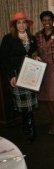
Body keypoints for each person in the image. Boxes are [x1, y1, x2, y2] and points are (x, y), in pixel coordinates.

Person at [0, 12, 38, 142]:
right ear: (15, 25)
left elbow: (34, 52)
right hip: (17, 73)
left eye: (24, 22)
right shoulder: (8, 38)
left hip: (30, 74)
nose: (21, 25)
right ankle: (27, 125)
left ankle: (30, 126)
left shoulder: (32, 37)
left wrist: (36, 56)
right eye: (19, 22)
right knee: (22, 103)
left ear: (27, 24)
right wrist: (11, 76)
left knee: (30, 102)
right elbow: (4, 59)